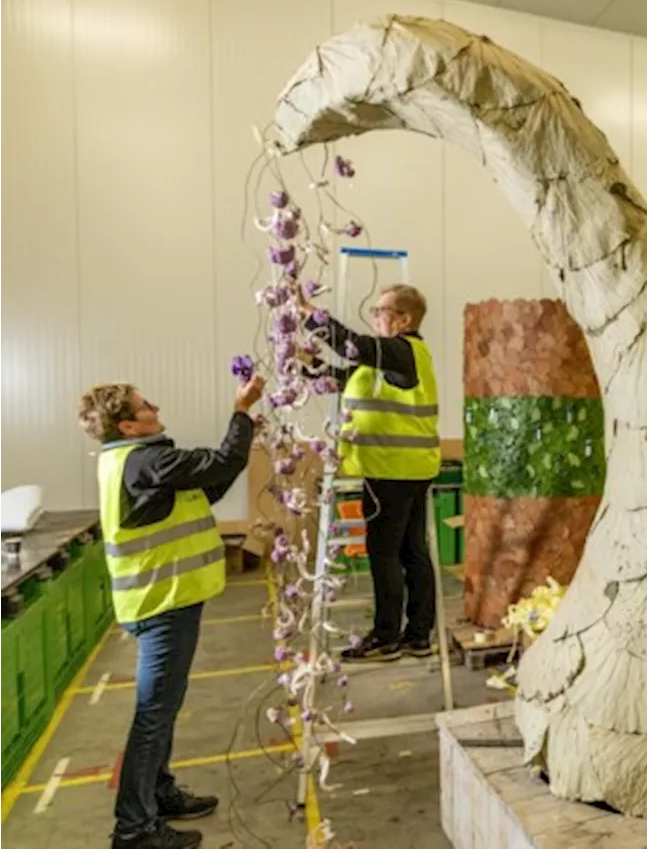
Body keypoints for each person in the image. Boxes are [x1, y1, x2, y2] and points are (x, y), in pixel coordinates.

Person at [78, 375, 264, 849]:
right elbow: (221, 461)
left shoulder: (133, 460)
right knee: (153, 713)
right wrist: (241, 412)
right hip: (160, 604)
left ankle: (158, 793)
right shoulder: (145, 460)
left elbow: (208, 485)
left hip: (165, 601)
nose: (154, 407)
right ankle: (134, 828)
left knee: (164, 707)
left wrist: (242, 438)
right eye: (144, 407)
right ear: (128, 425)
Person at [304, 284, 441, 663]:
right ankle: (417, 634)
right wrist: (309, 366)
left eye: (381, 310)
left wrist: (310, 316)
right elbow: (350, 372)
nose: (376, 316)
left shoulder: (400, 349)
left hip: (391, 471)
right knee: (412, 550)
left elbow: (354, 345)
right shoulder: (394, 360)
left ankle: (385, 636)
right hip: (409, 468)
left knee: (385, 554)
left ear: (404, 319)